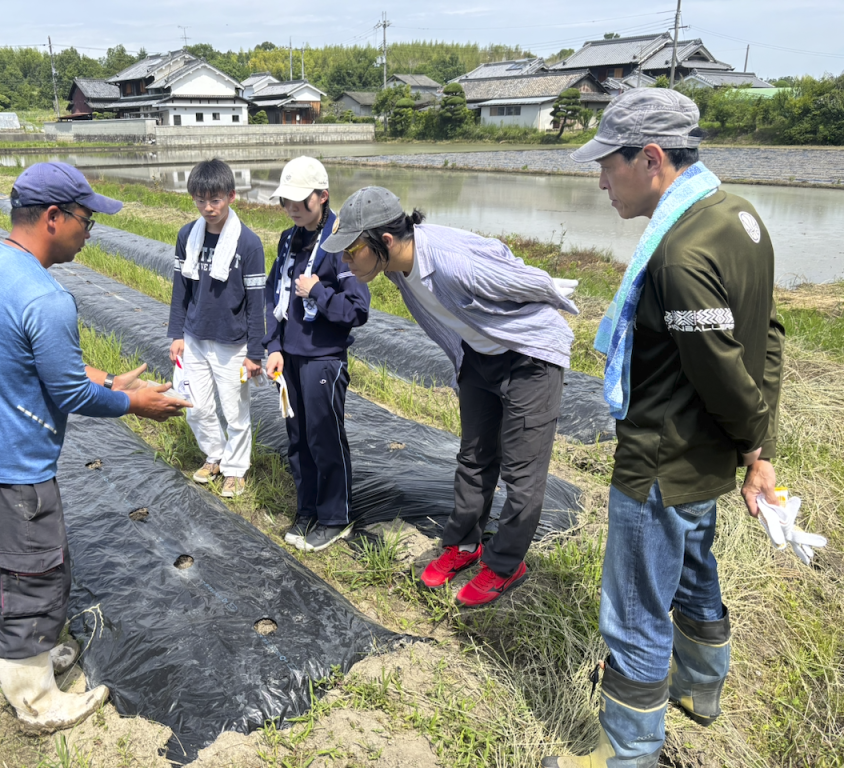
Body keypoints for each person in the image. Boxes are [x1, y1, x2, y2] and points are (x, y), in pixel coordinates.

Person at [542, 89, 784, 767]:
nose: (599, 181)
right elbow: (768, 337)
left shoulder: (677, 255)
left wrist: (756, 447)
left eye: (607, 165)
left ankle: (628, 749)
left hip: (660, 458)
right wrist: (755, 447)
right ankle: (702, 688)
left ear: (650, 158)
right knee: (692, 570)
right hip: (704, 459)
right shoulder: (739, 217)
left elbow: (724, 374)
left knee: (635, 609)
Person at [0, 162, 190, 734]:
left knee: (5, 572)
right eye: (85, 218)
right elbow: (71, 391)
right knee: (28, 579)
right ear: (53, 218)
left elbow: (46, 364)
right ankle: (37, 704)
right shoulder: (45, 296)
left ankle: (32, 662)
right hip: (7, 475)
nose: (90, 229)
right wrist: (135, 404)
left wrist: (112, 381)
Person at [322, 187, 579, 607]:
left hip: (528, 357)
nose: (346, 261)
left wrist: (560, 299)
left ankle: (505, 564)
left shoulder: (448, 265)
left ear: (385, 241)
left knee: (522, 471)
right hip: (478, 355)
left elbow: (517, 273)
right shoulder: (394, 266)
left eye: (351, 251)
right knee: (474, 455)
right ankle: (463, 543)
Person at [264, 157, 371, 552]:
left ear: (323, 197)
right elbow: (274, 296)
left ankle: (334, 517)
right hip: (290, 357)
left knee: (324, 437)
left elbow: (357, 310)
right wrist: (273, 346)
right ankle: (307, 508)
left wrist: (318, 292)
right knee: (298, 438)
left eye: (299, 202)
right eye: (285, 202)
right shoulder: (289, 237)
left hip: (323, 358)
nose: (292, 209)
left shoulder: (343, 241)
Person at [169, 159, 266, 497]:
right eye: (200, 200)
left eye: (215, 200)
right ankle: (216, 454)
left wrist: (255, 353)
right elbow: (181, 289)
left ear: (231, 196)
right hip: (195, 337)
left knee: (235, 411)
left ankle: (236, 470)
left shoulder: (248, 244)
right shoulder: (187, 235)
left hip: (232, 342)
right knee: (194, 404)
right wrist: (176, 334)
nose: (207, 208)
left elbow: (257, 303)